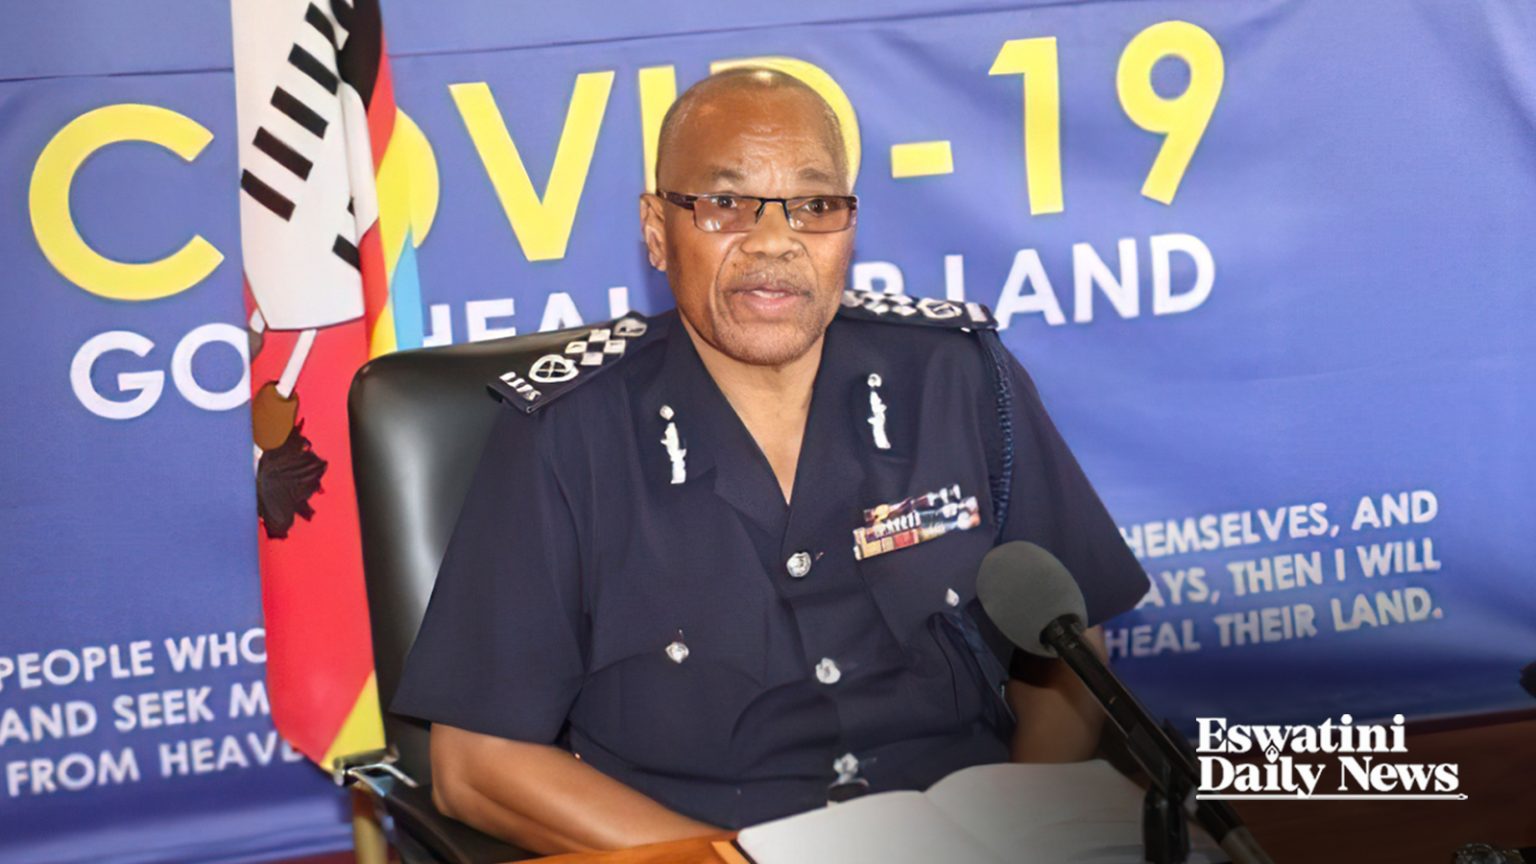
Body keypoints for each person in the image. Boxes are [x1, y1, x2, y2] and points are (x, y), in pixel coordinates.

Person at [390, 67, 1150, 855]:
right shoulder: (566, 434)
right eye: (725, 205)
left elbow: (1071, 649)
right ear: (657, 230)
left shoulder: (959, 378)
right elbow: (478, 765)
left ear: (849, 227)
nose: (775, 242)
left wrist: (1022, 826)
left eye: (815, 206)